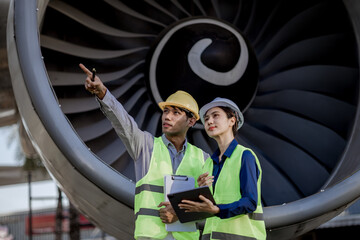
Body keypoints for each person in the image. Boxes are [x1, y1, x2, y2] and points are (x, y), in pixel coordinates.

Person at [79, 63, 209, 240]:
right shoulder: (146, 146)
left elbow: (211, 206)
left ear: (191, 121)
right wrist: (102, 93)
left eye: (176, 113)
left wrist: (179, 211)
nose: (168, 116)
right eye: (166, 111)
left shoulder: (202, 158)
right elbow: (123, 122)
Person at [178, 97, 266, 240]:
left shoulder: (245, 156)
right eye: (206, 119)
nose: (209, 121)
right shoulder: (208, 164)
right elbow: (207, 208)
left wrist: (218, 209)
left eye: (215, 115)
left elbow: (250, 202)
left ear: (232, 120)